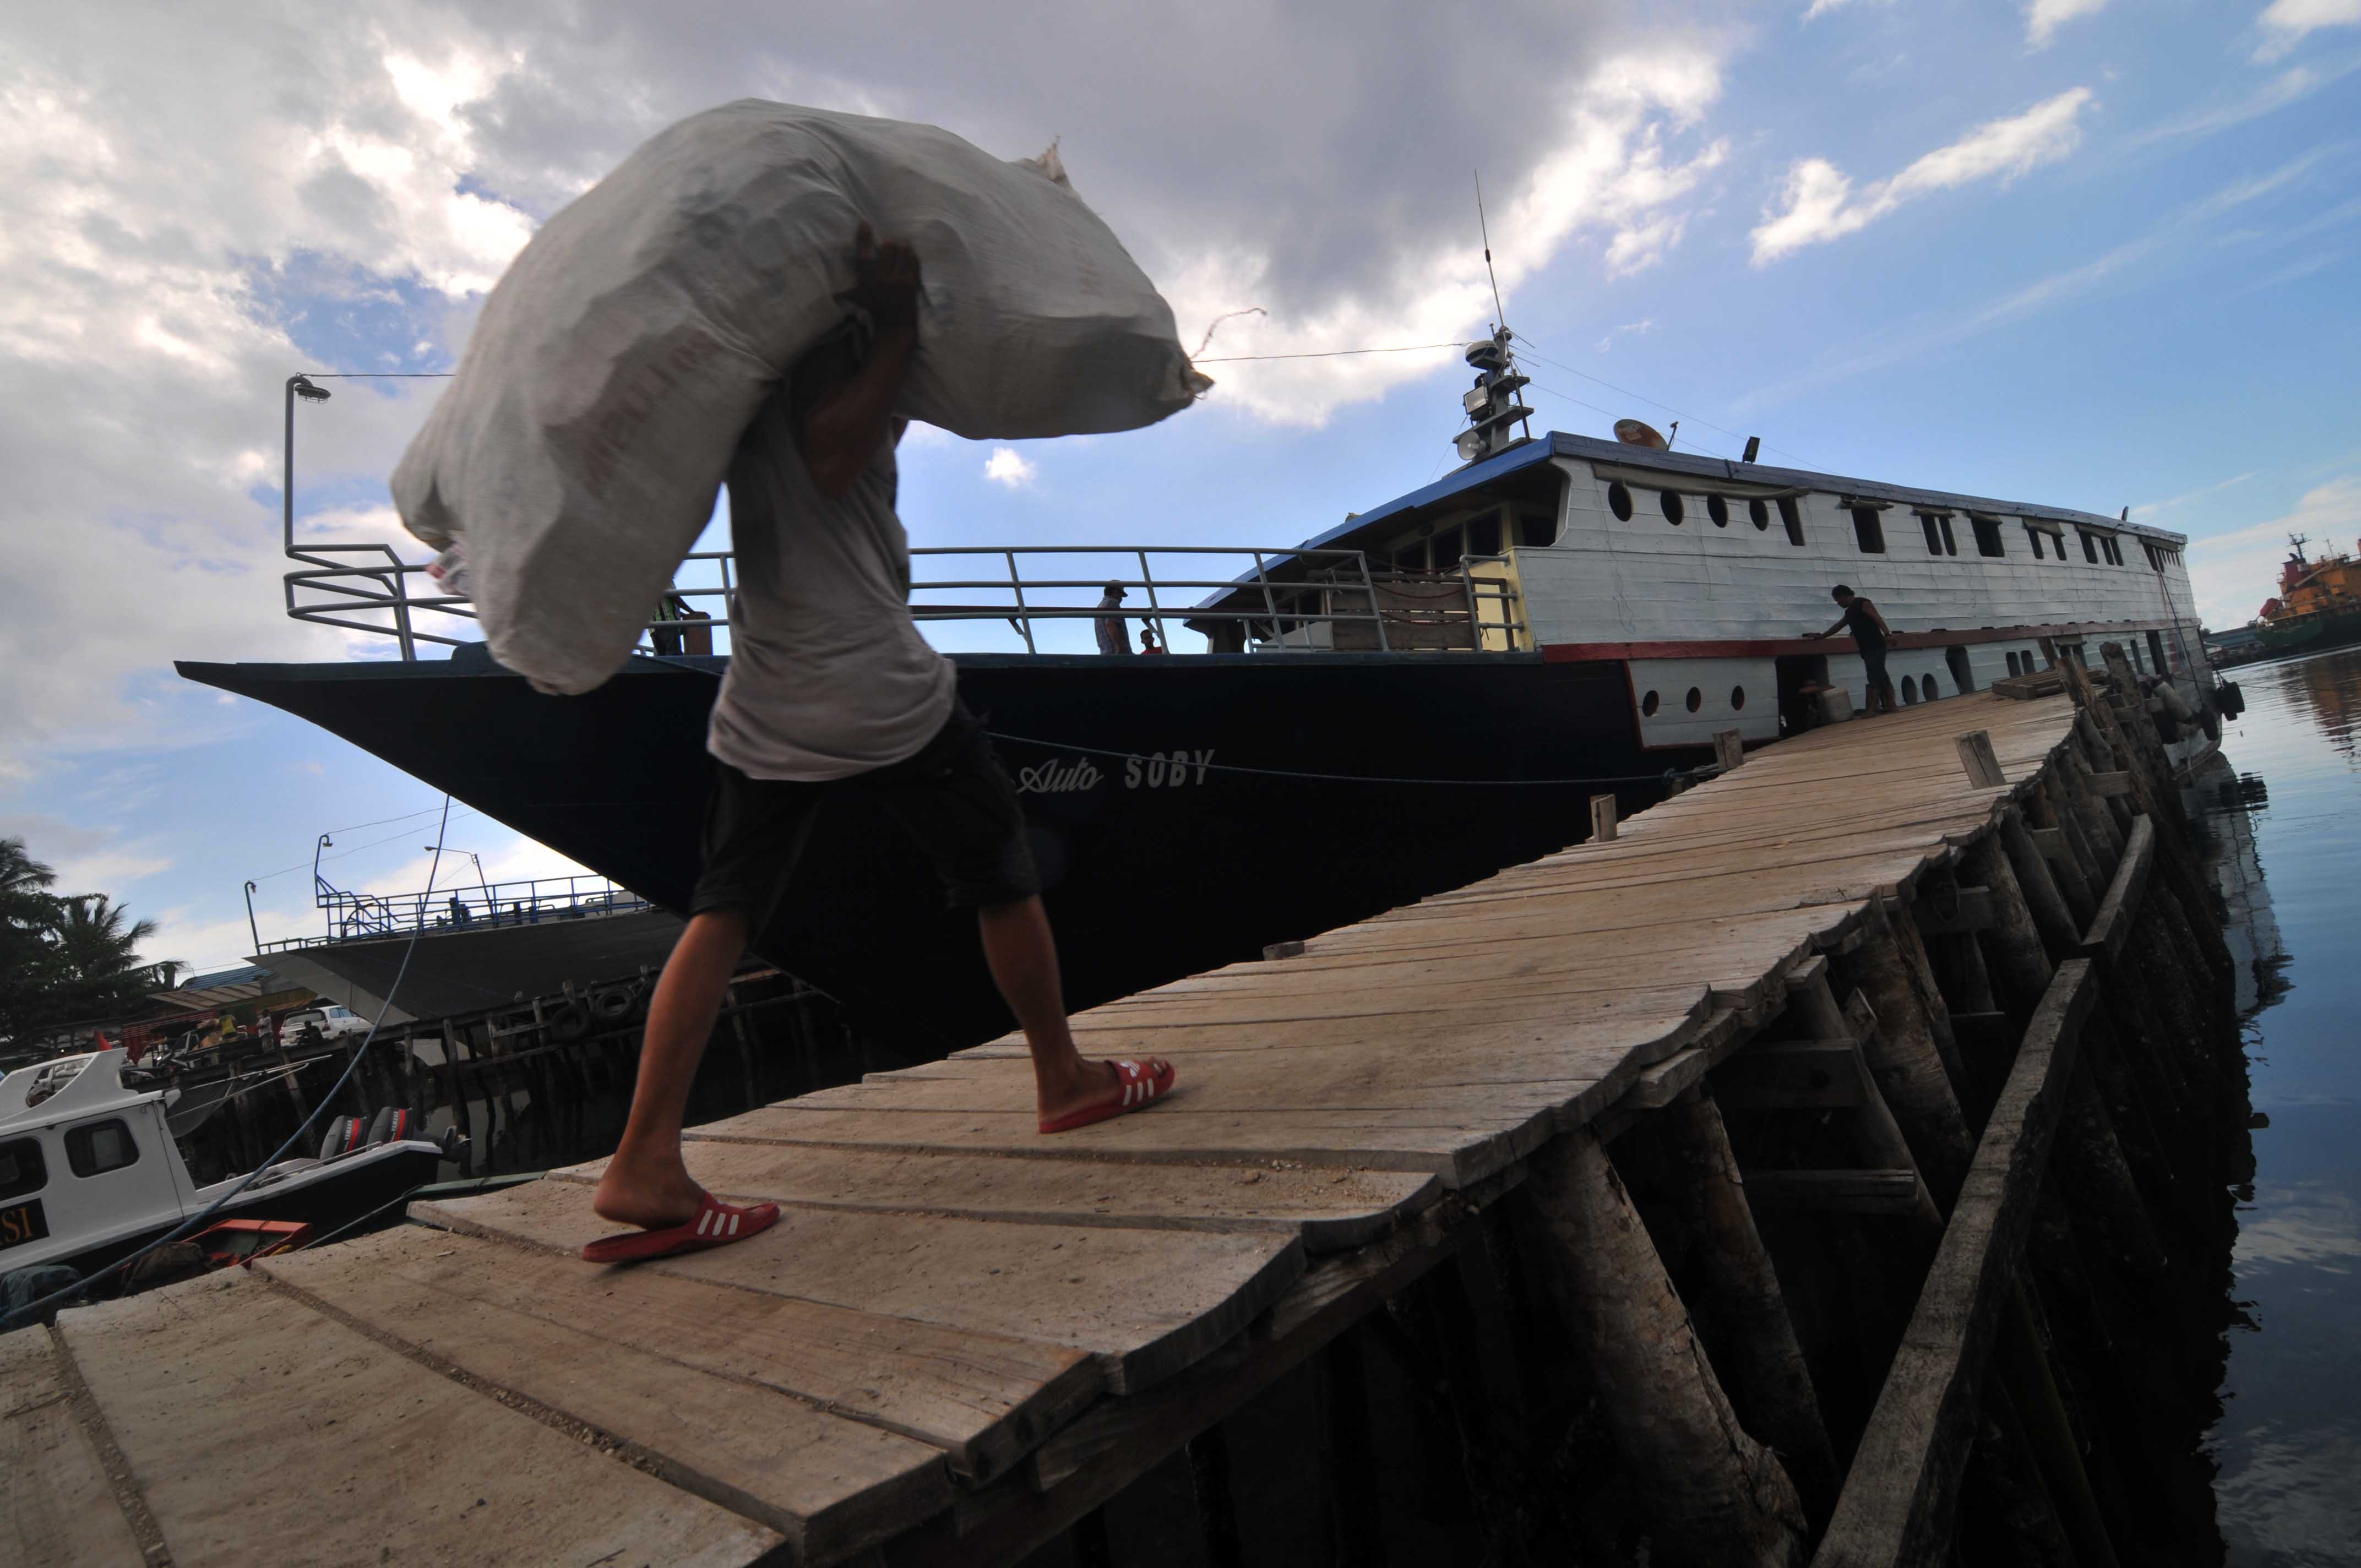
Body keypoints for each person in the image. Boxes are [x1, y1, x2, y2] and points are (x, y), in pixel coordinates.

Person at [587, 221, 1176, 1262]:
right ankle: (1064, 1078)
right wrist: (900, 324)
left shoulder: (740, 386)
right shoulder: (833, 375)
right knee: (1001, 870)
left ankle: (644, 1161)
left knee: (722, 911)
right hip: (872, 680)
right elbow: (832, 451)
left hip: (765, 690)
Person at [1805, 585, 1896, 715]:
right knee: (1881, 675)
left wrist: (1888, 634)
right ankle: (1891, 705)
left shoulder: (1863, 603)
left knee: (1874, 675)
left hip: (1876, 645)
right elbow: (1838, 626)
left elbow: (1877, 618)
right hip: (1866, 647)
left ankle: (1873, 708)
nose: (1838, 604)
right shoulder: (1850, 612)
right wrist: (1822, 636)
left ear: (1844, 595)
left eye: (1838, 600)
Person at [1095, 581, 1132, 656]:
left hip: (1105, 653)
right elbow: (1110, 624)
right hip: (1117, 653)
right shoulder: (1113, 602)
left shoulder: (1099, 607)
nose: (1121, 599)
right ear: (1116, 591)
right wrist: (1121, 647)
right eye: (1121, 595)